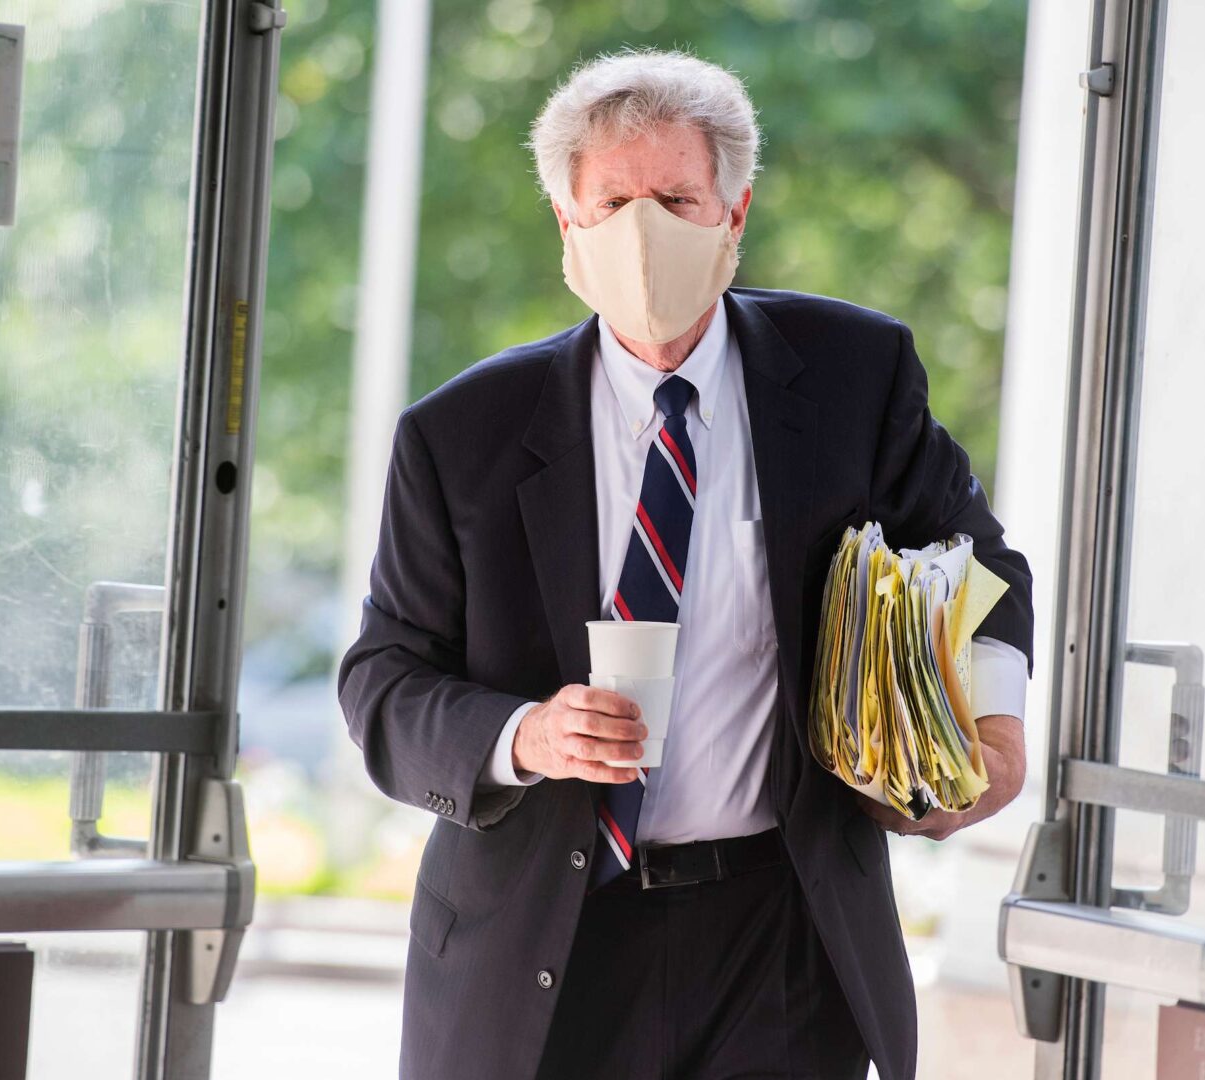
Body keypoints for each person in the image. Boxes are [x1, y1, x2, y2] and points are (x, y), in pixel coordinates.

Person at [337, 47, 1034, 1080]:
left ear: (735, 213)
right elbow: (382, 683)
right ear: (566, 229)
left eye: (674, 196)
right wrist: (524, 734)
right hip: (545, 940)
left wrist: (988, 733)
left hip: (781, 933)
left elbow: (976, 562)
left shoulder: (852, 373)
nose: (642, 231)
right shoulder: (462, 435)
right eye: (611, 202)